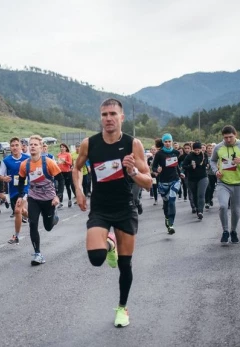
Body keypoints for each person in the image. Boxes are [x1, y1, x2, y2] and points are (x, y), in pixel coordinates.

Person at [73, 98, 152, 328]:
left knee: (125, 265)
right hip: (100, 208)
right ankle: (109, 245)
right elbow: (76, 168)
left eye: (113, 114)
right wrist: (78, 190)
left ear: (122, 117)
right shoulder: (90, 144)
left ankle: (122, 308)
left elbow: (147, 182)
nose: (108, 118)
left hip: (124, 208)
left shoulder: (132, 144)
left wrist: (132, 171)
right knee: (96, 259)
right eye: (104, 114)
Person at [18, 135, 64, 265]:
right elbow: (21, 181)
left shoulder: (48, 162)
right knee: (33, 224)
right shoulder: (24, 165)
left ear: (40, 147)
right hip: (34, 198)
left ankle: (53, 218)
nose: (32, 146)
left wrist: (58, 196)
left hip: (49, 200)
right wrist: (21, 196)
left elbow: (60, 180)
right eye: (30, 144)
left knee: (48, 227)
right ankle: (37, 254)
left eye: (35, 144)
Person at [210, 125, 240, 244]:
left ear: (235, 135)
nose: (228, 140)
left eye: (230, 137)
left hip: (238, 182)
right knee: (223, 206)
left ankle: (233, 231)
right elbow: (212, 161)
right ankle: (225, 231)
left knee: (235, 210)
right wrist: (216, 171)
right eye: (225, 137)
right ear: (223, 137)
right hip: (223, 182)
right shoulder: (218, 147)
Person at [0, 137, 31, 244]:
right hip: (13, 191)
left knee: (17, 210)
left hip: (25, 189)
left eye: (17, 145)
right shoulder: (6, 161)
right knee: (21, 211)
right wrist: (4, 178)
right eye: (13, 146)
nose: (15, 147)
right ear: (10, 148)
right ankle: (32, 216)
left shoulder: (27, 158)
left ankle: (16, 236)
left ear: (21, 147)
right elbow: (0, 175)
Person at [152, 135, 184, 234]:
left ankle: (171, 224)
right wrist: (157, 170)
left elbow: (176, 165)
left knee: (171, 201)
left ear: (172, 141)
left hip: (175, 180)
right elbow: (153, 167)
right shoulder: (159, 154)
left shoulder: (176, 152)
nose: (168, 143)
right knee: (166, 203)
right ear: (163, 142)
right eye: (165, 141)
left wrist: (180, 173)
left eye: (169, 141)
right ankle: (167, 217)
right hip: (163, 182)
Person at [182, 142, 209, 220]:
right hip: (192, 179)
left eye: (198, 150)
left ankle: (200, 211)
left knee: (201, 194)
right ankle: (197, 209)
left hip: (203, 177)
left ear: (201, 149)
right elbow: (184, 166)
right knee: (194, 195)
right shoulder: (189, 156)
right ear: (193, 149)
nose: (197, 152)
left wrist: (206, 165)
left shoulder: (204, 155)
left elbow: (206, 163)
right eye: (195, 150)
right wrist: (190, 167)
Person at [57, 143, 74, 208]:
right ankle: (60, 202)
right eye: (61, 147)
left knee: (67, 187)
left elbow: (70, 163)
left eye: (63, 147)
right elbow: (59, 163)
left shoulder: (68, 154)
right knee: (60, 187)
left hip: (67, 172)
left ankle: (69, 200)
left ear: (66, 148)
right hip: (60, 172)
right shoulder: (59, 154)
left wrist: (65, 161)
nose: (62, 148)